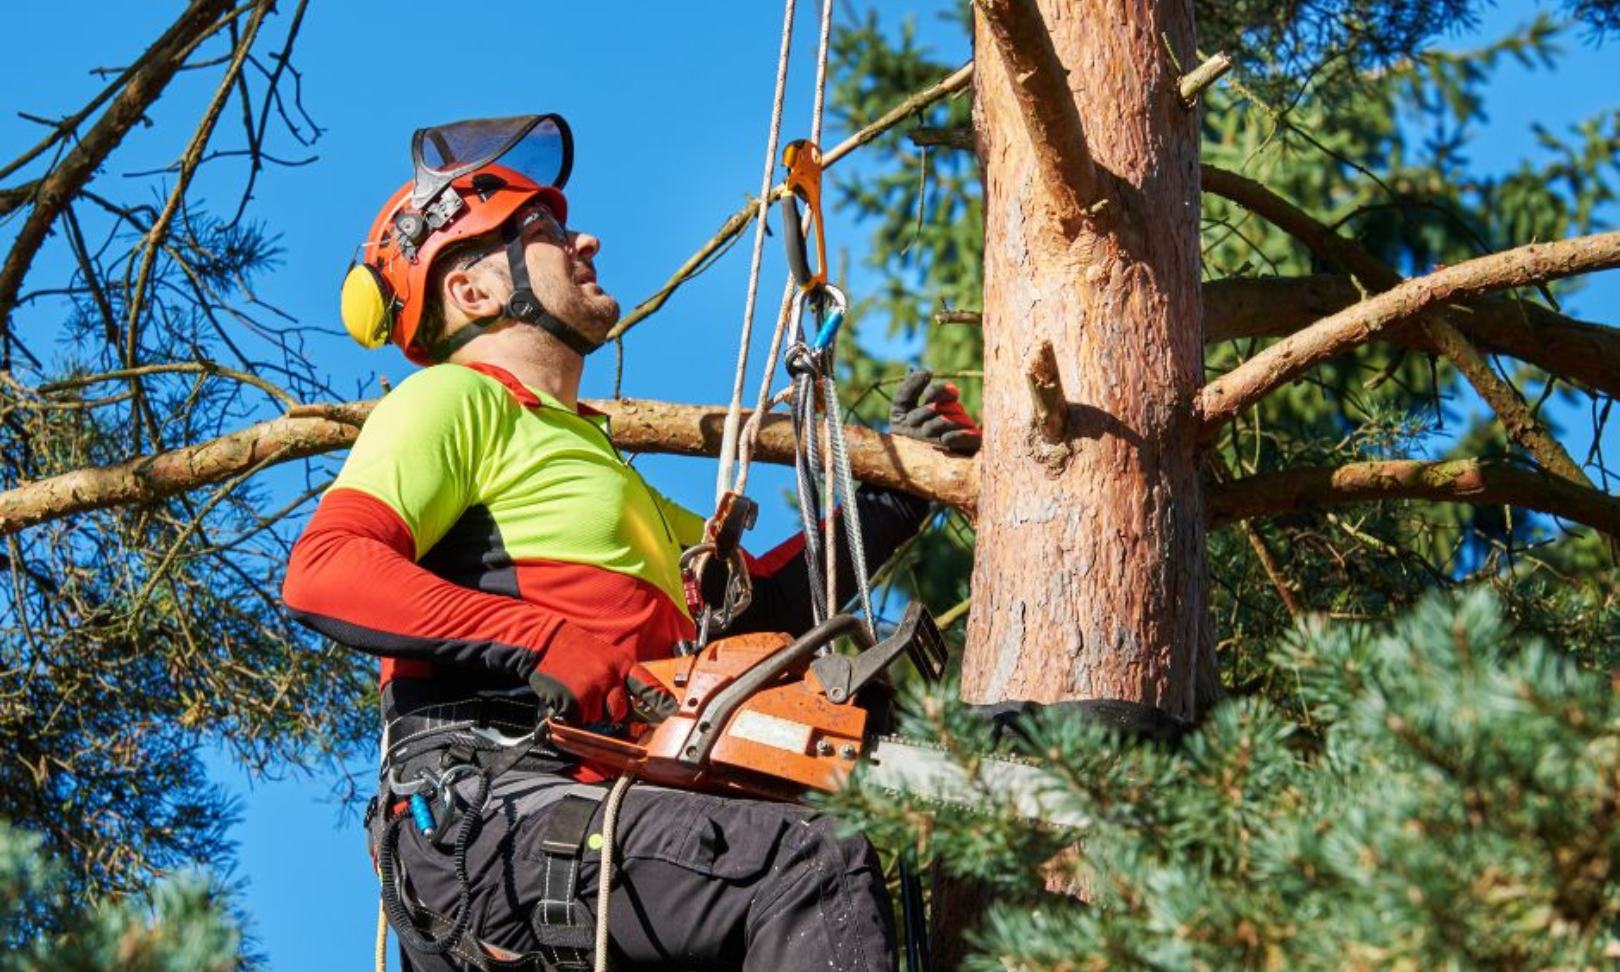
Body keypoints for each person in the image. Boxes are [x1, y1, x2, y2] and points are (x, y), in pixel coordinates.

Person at [281, 115, 980, 972]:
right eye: (542, 230)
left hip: (605, 819)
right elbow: (326, 571)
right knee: (806, 861)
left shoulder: (598, 468)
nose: (586, 238)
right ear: (474, 292)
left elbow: (764, 605)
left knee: (828, 856)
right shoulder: (454, 402)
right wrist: (539, 639)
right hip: (491, 813)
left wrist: (890, 502)